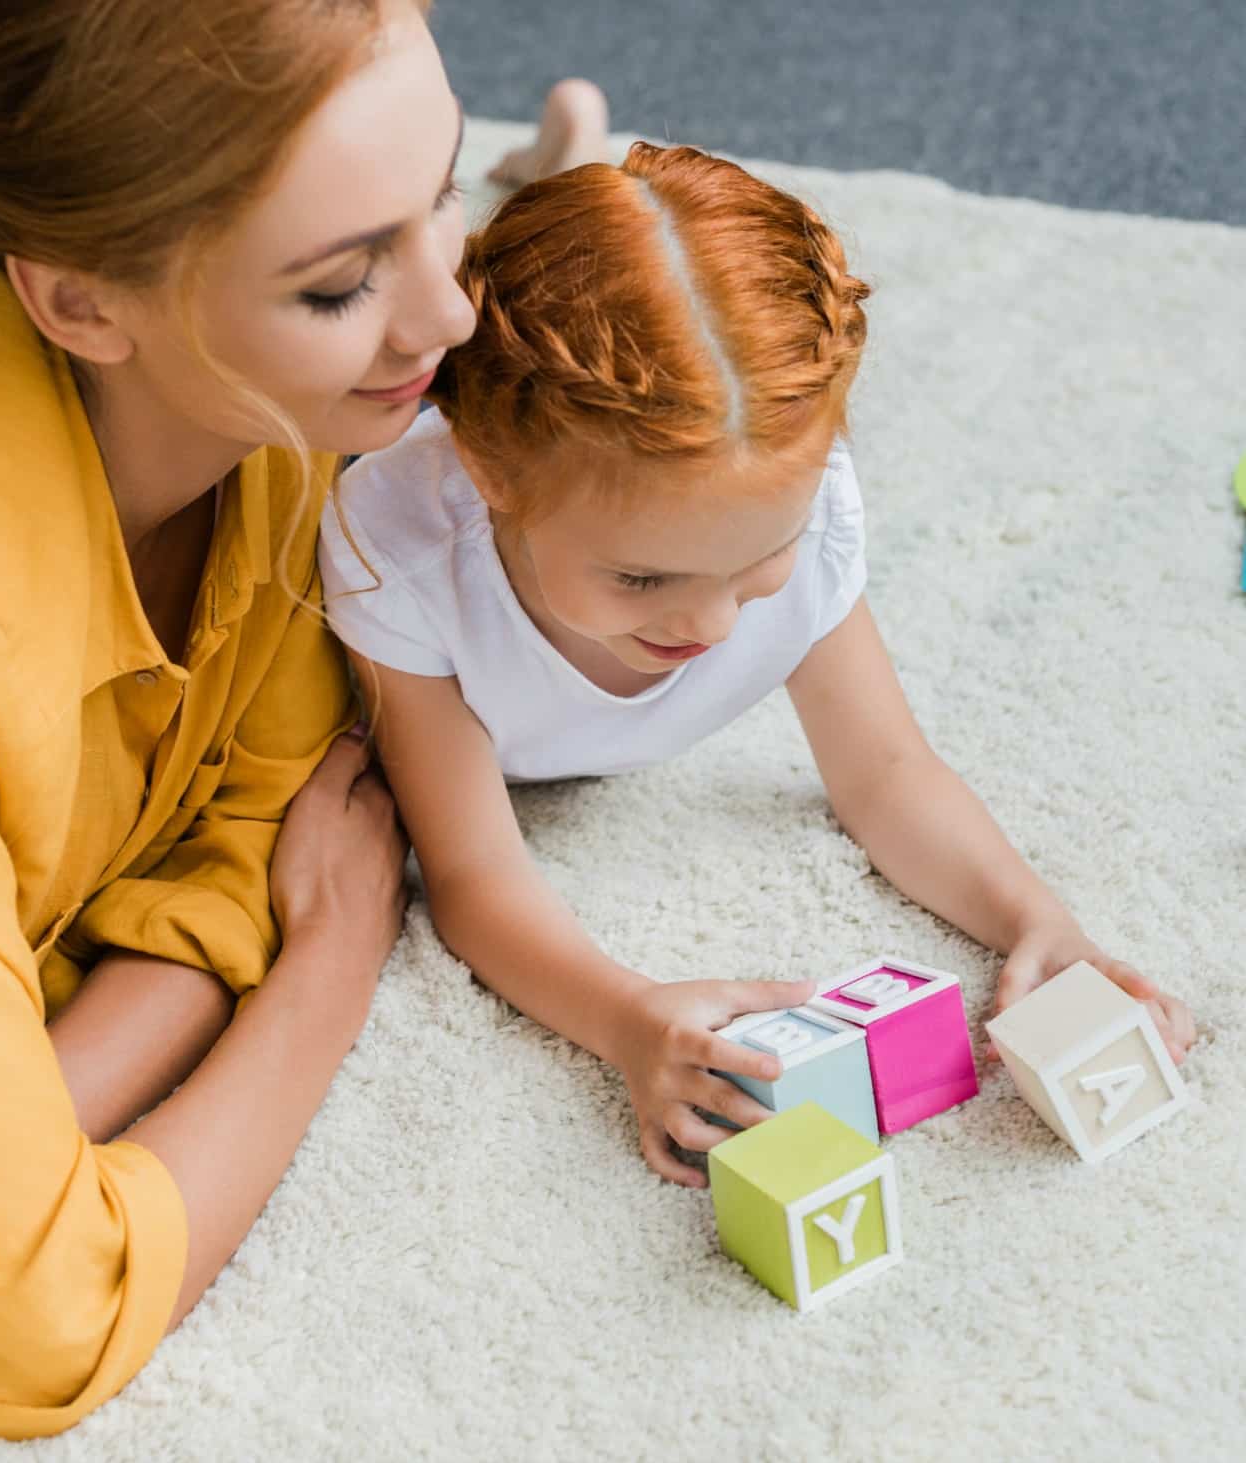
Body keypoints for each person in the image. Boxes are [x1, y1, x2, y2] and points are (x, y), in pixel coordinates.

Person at [0, 0, 473, 1441]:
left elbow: (247, 830)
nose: (447, 318)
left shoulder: (281, 408)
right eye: (344, 281)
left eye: (445, 195)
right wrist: (329, 966)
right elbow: (26, 1322)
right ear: (81, 303)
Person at [317, 142, 1198, 1188]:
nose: (710, 624)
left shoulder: (803, 497)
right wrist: (626, 1014)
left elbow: (885, 774)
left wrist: (1035, 921)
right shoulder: (397, 550)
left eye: (752, 566)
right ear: (483, 473)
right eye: (642, 580)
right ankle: (559, 150)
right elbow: (470, 872)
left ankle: (563, 148)